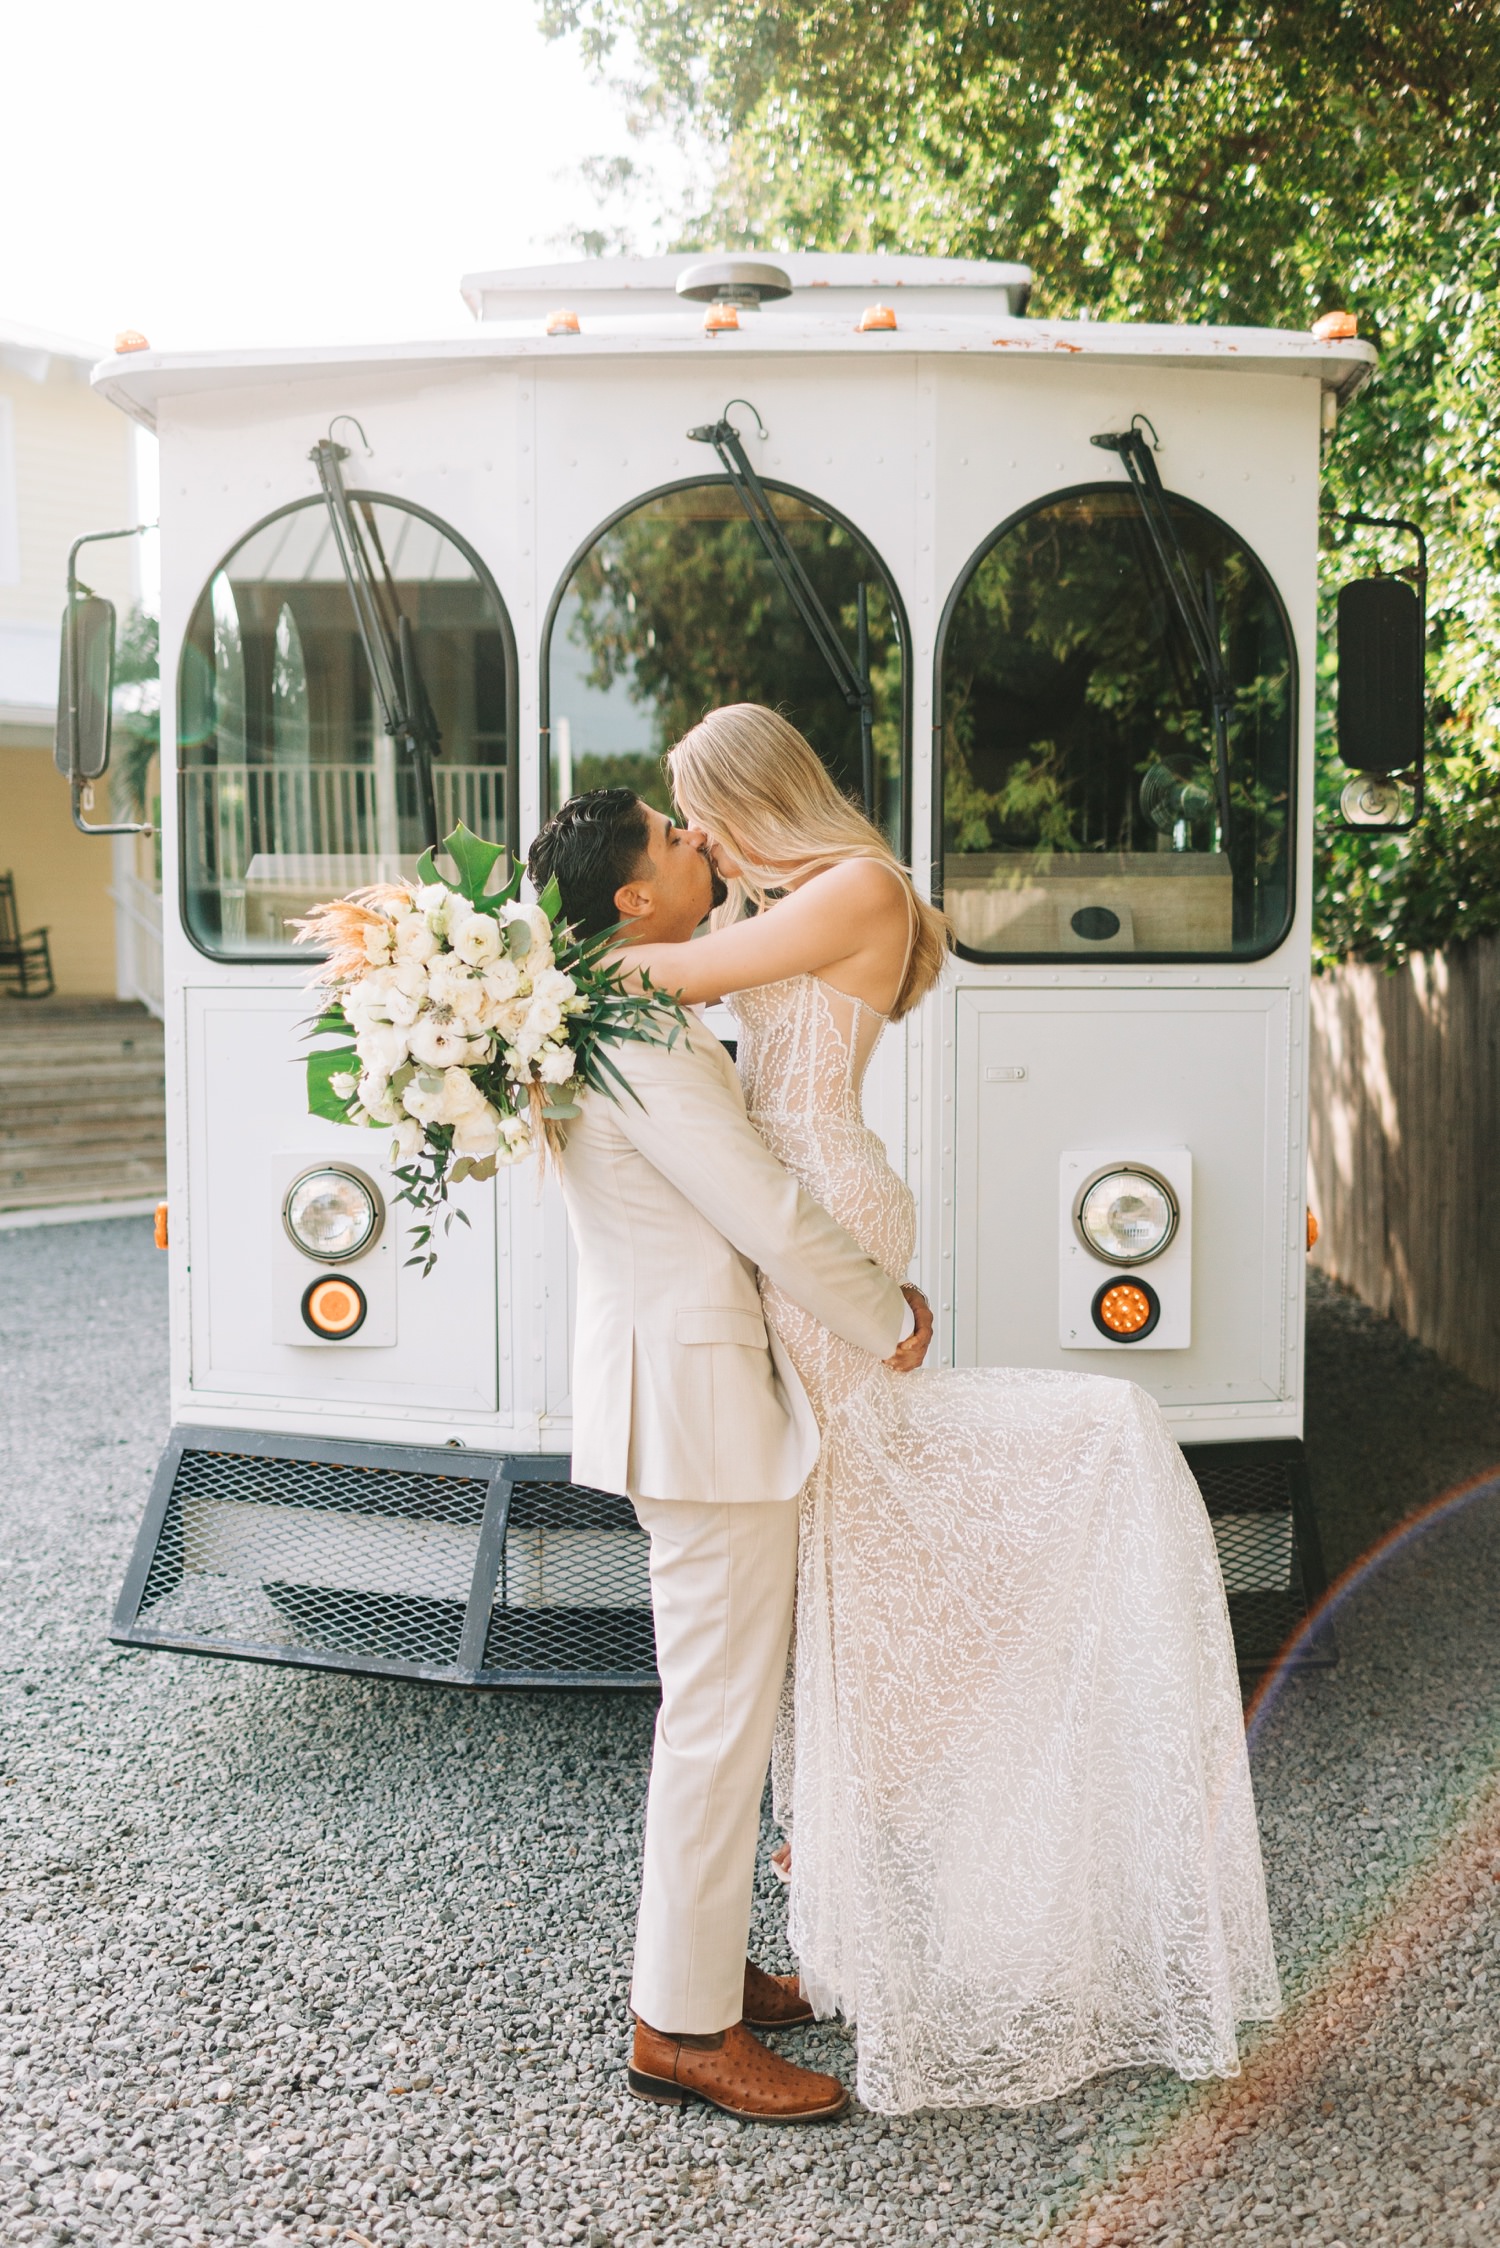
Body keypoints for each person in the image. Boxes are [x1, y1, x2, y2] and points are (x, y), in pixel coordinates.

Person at [613, 703, 1282, 2117]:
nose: (702, 841)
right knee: (851, 1533)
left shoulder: (852, 888)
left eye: (700, 812)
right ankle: (802, 1912)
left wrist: (506, 969)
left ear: (749, 795)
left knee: (872, 1519)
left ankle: (902, 1852)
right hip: (818, 1211)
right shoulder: (815, 896)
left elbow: (669, 969)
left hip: (823, 1215)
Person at [525, 787, 932, 2126]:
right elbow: (759, 1204)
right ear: (634, 899)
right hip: (694, 1408)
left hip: (681, 1392)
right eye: (672, 834)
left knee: (718, 1712)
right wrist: (886, 1314)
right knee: (714, 1722)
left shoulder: (605, 1002)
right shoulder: (635, 1022)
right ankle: (681, 2029)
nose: (699, 837)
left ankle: (694, 1973)